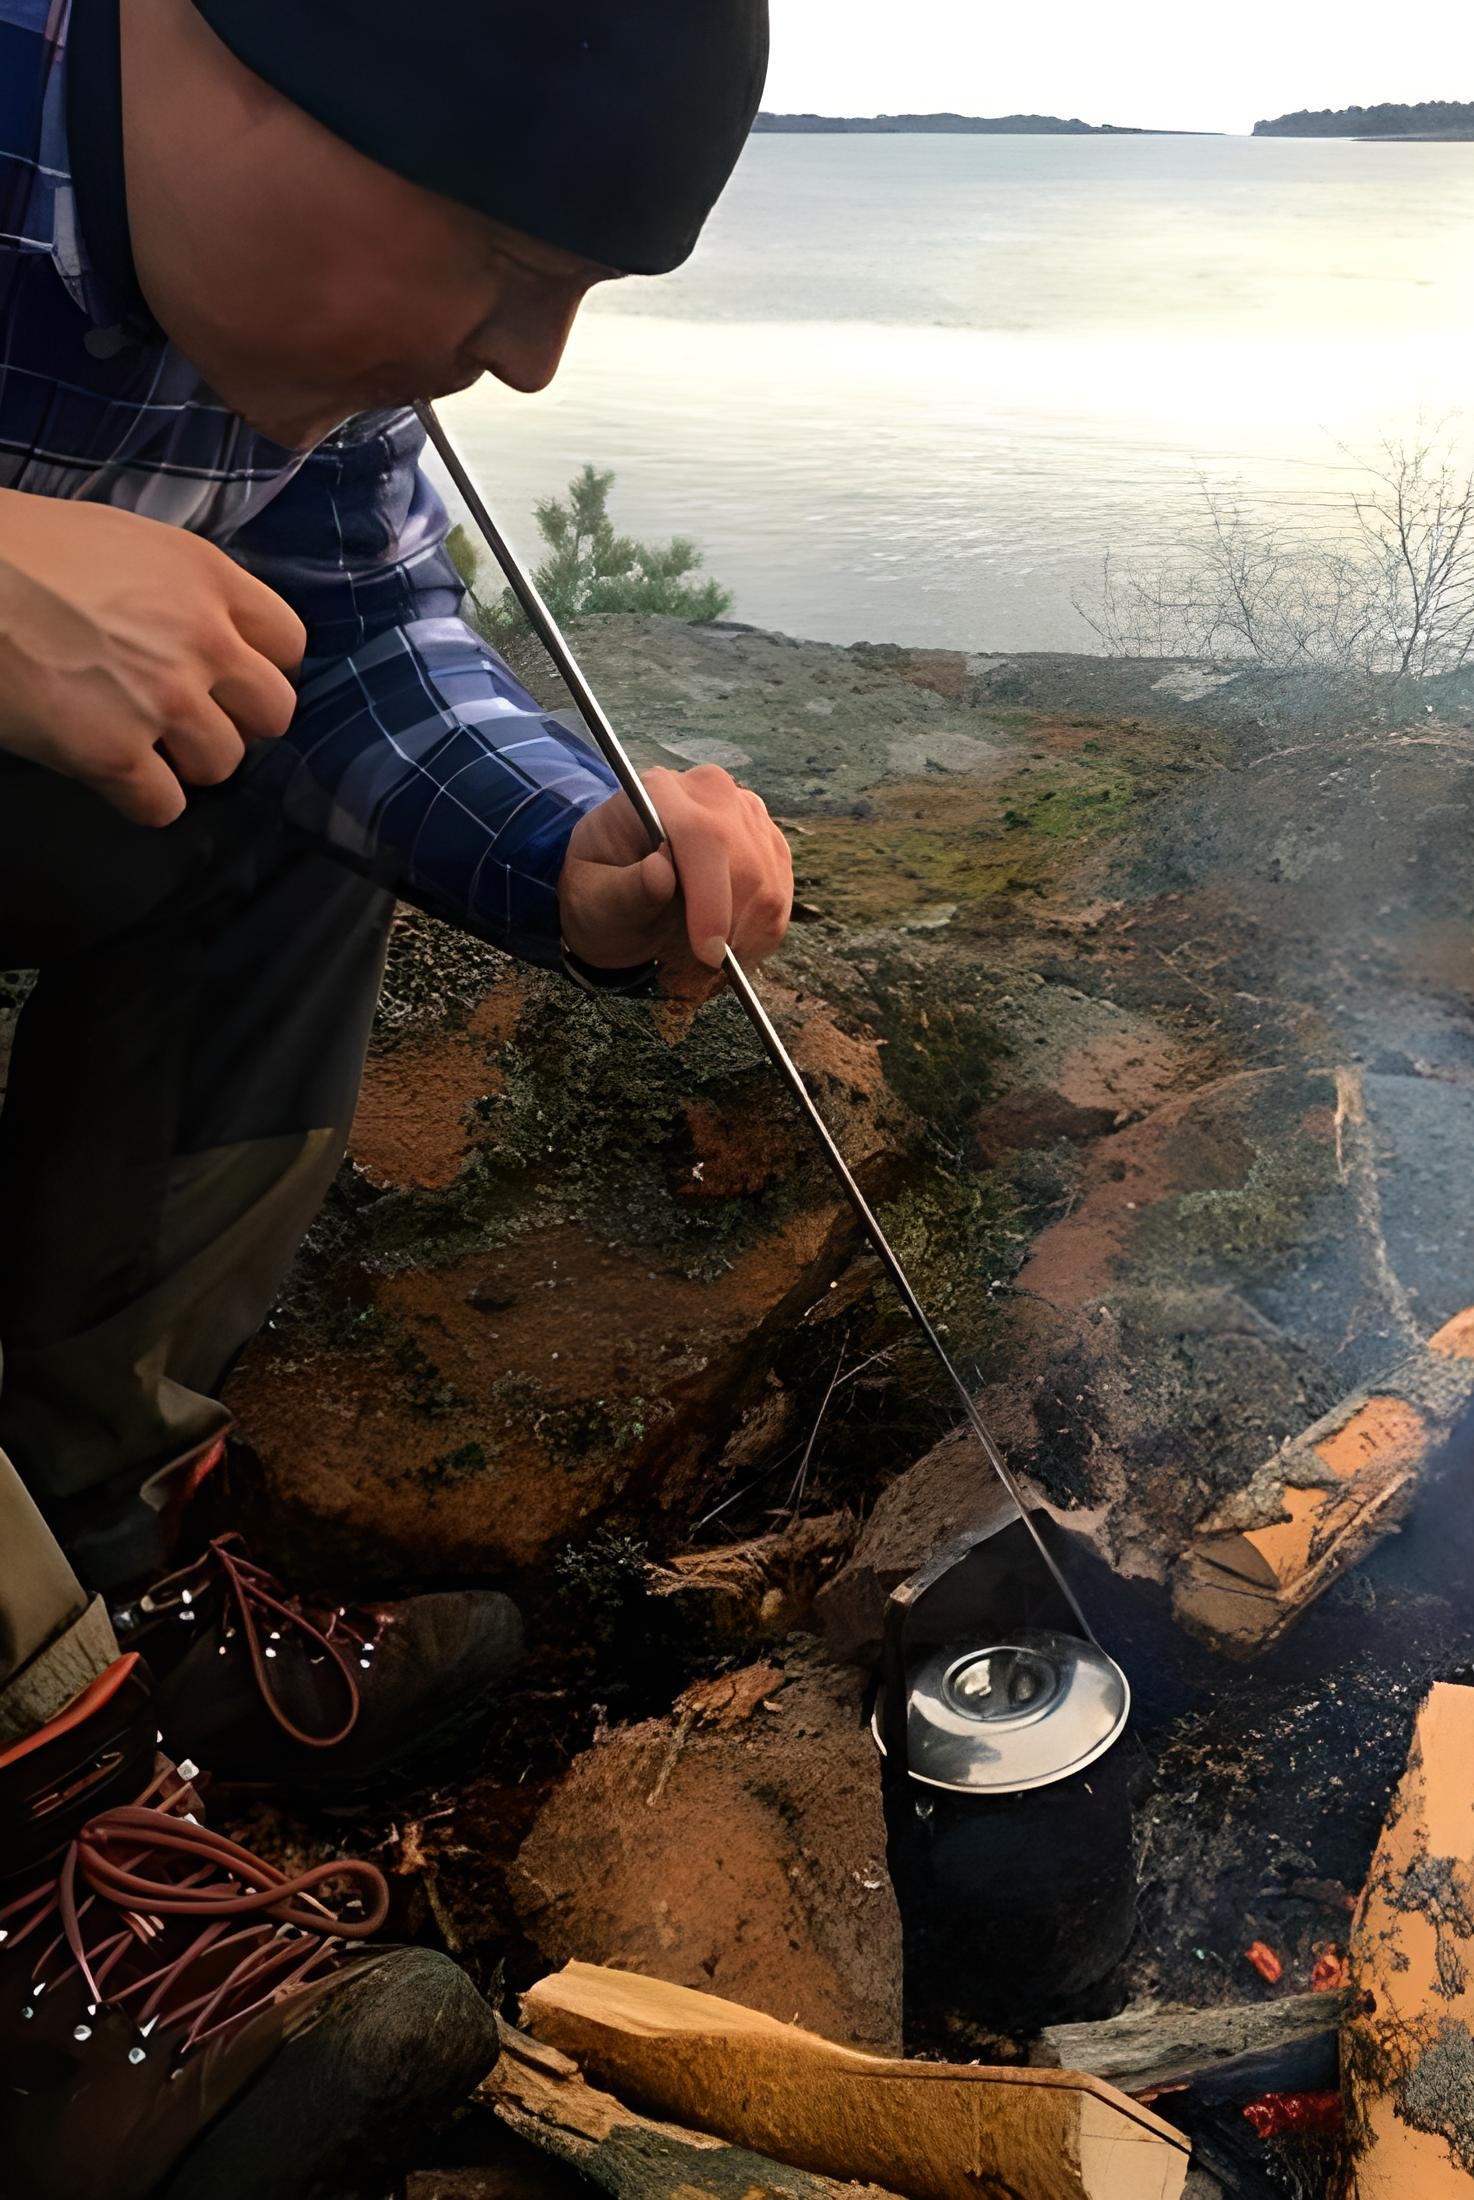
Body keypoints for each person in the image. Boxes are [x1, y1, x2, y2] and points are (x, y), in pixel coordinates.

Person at [0, 0, 786, 2190]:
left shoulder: (295, 345)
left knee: (252, 749)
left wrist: (570, 853)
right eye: (501, 258)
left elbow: (352, 625)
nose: (530, 364)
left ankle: (99, 1565)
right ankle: (30, 1847)